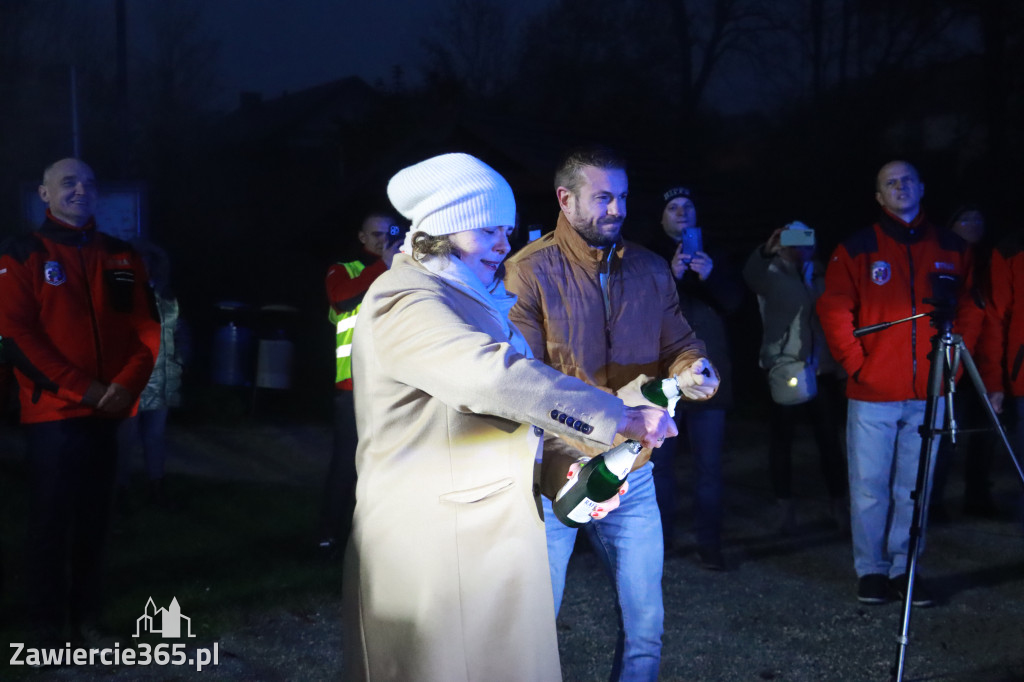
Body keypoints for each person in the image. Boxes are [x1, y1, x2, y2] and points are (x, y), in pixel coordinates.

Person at [341, 152, 678, 682]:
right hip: (431, 549)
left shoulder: (473, 299)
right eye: (488, 230)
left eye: (507, 230)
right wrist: (616, 416)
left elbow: (516, 418)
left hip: (486, 542)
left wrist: (565, 473)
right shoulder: (405, 299)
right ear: (444, 230)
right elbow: (492, 379)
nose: (504, 244)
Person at [505, 146, 718, 682]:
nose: (616, 208)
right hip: (555, 474)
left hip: (635, 471)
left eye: (622, 196)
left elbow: (681, 340)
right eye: (603, 197)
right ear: (566, 198)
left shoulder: (648, 268)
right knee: (533, 625)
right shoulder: (527, 273)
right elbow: (522, 382)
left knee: (646, 625)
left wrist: (695, 369)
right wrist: (589, 429)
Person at [0, 158, 160, 643]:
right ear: (44, 195)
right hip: (56, 413)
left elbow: (145, 328)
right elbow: (14, 335)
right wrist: (86, 390)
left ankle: (88, 618)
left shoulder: (120, 255)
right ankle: (46, 626)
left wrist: (127, 386)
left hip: (112, 411)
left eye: (89, 183)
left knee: (97, 519)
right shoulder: (21, 252)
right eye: (68, 182)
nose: (81, 190)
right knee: (51, 521)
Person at [817, 160, 979, 607]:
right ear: (879, 196)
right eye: (891, 183)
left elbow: (969, 311)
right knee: (870, 486)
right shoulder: (857, 248)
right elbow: (834, 310)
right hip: (874, 394)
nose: (900, 187)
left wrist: (953, 369)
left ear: (922, 187)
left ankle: (906, 568)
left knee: (915, 486)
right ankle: (870, 570)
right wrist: (858, 365)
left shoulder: (951, 247)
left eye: (907, 179)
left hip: (928, 392)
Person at [647, 185, 743, 568]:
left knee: (709, 466)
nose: (682, 212)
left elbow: (735, 304)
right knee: (661, 466)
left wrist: (711, 276)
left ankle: (710, 544)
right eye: (673, 207)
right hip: (664, 377)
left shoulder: (715, 255)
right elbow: (639, 311)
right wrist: (669, 275)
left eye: (688, 206)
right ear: (662, 216)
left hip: (709, 375)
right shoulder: (648, 257)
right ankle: (663, 543)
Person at [742, 221, 848, 535]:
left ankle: (839, 505)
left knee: (829, 441)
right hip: (784, 368)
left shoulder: (822, 273)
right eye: (792, 239)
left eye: (805, 239)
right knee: (782, 442)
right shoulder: (770, 273)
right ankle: (784, 509)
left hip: (821, 367)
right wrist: (765, 251)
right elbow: (750, 276)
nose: (799, 246)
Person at [317, 211, 403, 554]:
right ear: (362, 237)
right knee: (345, 466)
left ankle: (375, 540)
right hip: (352, 387)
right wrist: (383, 264)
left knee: (389, 467)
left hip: (392, 385)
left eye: (389, 234)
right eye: (376, 234)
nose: (384, 240)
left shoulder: (401, 271)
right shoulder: (345, 269)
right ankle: (328, 536)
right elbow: (341, 298)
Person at [930, 206, 999, 521]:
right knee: (944, 433)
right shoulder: (940, 256)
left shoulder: (991, 262)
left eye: (979, 219)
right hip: (949, 357)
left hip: (984, 358)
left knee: (985, 432)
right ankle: (933, 500)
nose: (974, 224)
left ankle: (977, 496)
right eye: (966, 219)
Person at [116, 240, 187, 508]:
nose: (144, 266)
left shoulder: (167, 297)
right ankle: (119, 490)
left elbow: (179, 333)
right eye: (139, 261)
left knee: (156, 436)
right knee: (125, 438)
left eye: (148, 262)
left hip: (164, 378)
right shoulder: (120, 298)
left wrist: (180, 362)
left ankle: (156, 487)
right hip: (130, 382)